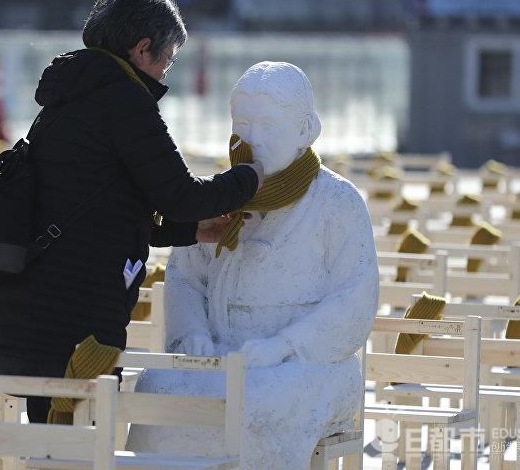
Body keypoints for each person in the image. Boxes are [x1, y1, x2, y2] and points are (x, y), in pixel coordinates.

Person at [0, 0, 265, 423]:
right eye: (166, 59)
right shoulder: (124, 100)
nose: (165, 71)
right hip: (74, 320)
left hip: (22, 309)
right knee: (73, 443)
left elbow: (101, 207)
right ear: (141, 48)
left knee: (42, 442)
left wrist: (191, 231)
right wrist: (251, 177)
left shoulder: (69, 97)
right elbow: (179, 194)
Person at [126, 62, 379, 469]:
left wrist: (284, 345)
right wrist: (192, 332)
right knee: (159, 385)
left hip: (306, 365)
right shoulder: (219, 193)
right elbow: (185, 278)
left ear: (304, 130)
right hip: (220, 354)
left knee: (259, 400)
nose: (252, 138)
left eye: (268, 124)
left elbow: (354, 298)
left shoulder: (338, 202)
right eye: (242, 124)